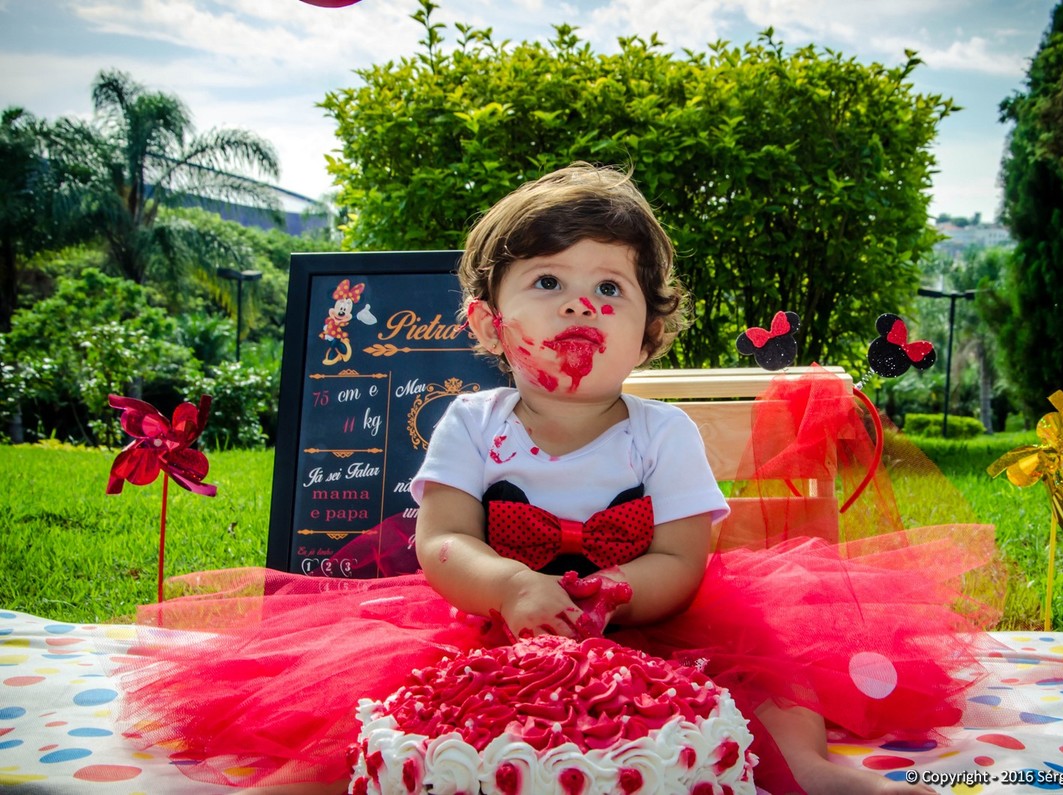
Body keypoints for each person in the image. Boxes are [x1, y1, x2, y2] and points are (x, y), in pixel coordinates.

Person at [120, 163, 997, 795]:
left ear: (648, 332)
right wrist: (509, 585)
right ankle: (306, 780)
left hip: (653, 624)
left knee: (768, 686)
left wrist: (618, 590)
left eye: (611, 288)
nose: (581, 303)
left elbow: (682, 557)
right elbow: (443, 539)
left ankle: (811, 771)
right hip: (493, 623)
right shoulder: (472, 423)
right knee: (382, 708)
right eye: (548, 280)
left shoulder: (663, 433)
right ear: (488, 323)